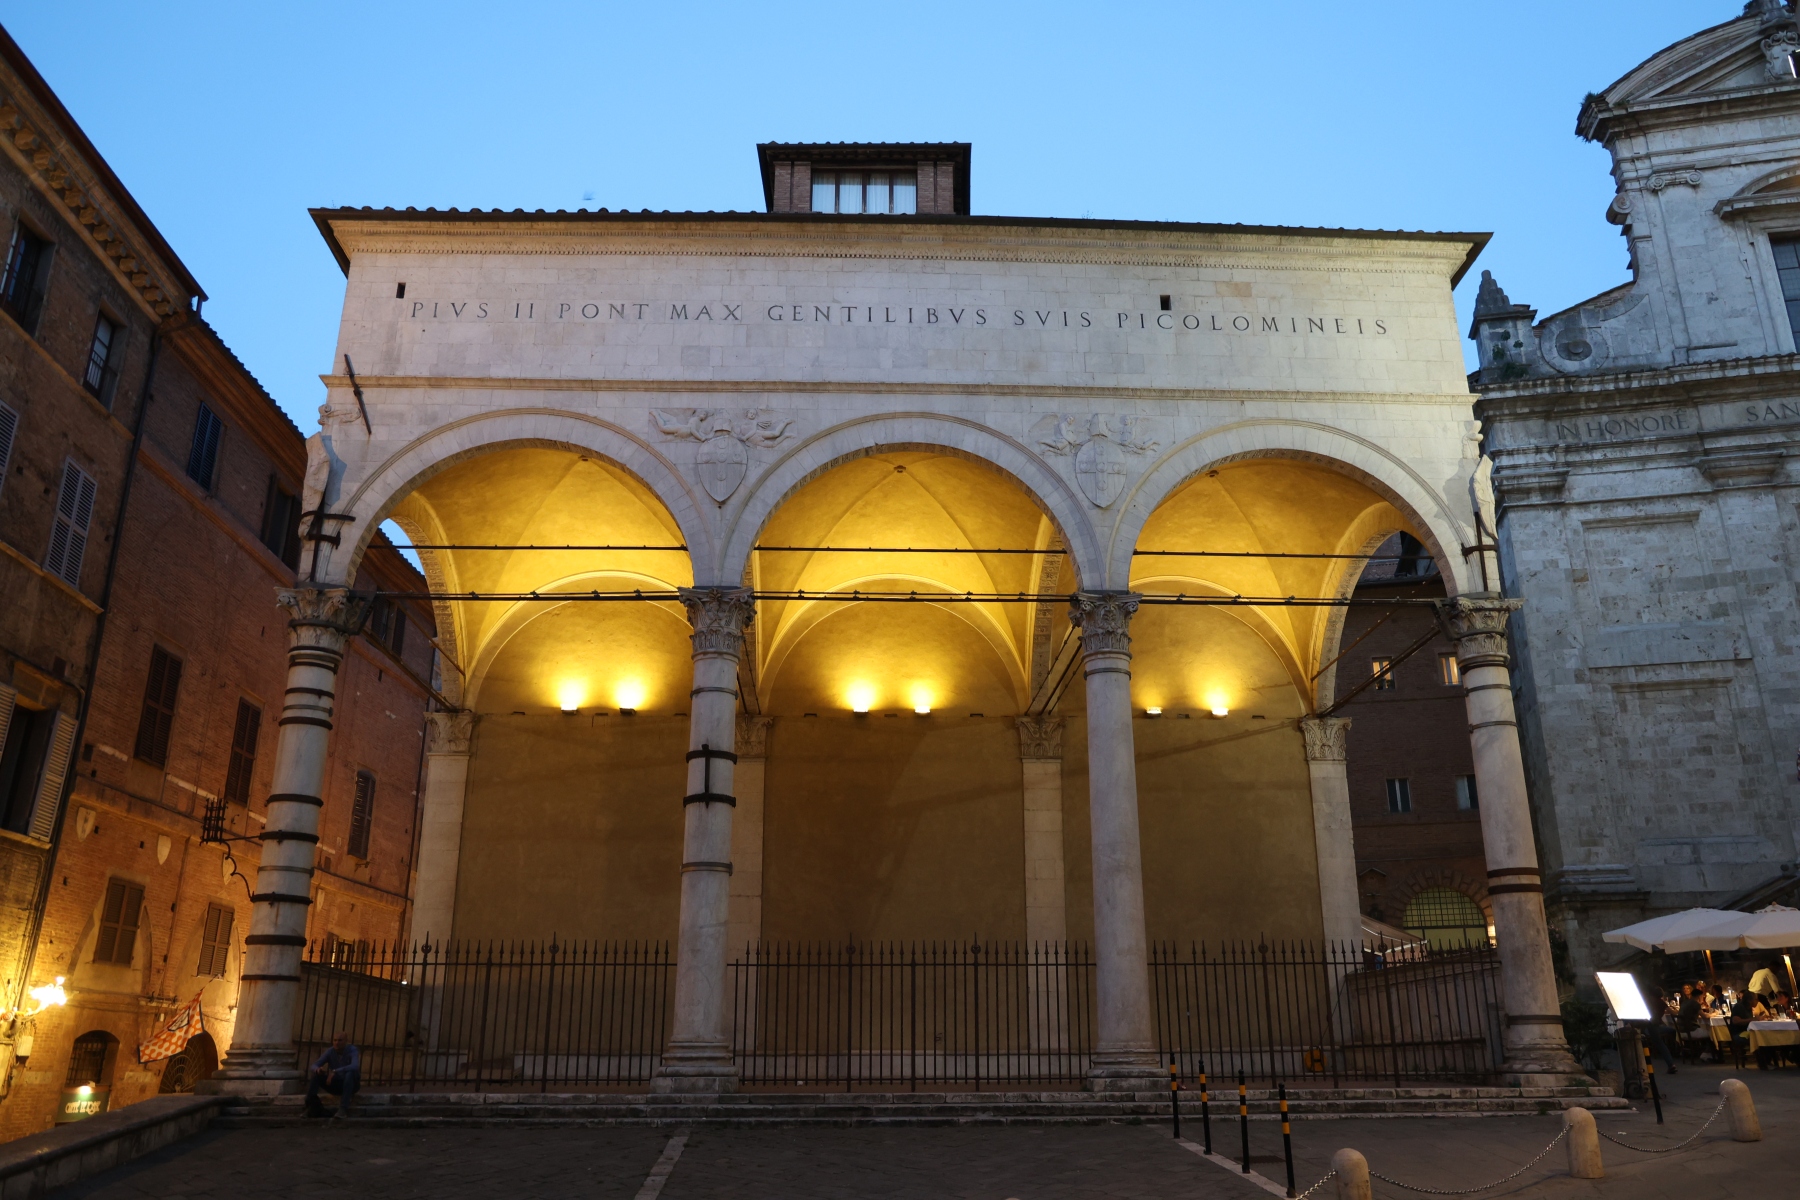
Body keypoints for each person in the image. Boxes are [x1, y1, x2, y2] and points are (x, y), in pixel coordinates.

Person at [305, 1032, 360, 1118]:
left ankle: (343, 1109)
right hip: (336, 1084)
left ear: (346, 1041)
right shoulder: (330, 1051)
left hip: (351, 1084)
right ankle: (311, 1107)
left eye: (340, 1040)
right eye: (335, 1040)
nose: (337, 1043)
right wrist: (317, 1069)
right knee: (316, 1076)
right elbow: (314, 1065)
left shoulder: (352, 1050)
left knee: (350, 1073)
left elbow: (355, 1066)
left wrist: (336, 1071)